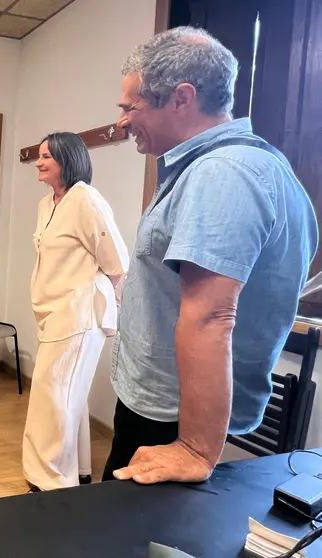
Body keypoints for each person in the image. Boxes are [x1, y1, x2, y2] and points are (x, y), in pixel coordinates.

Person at [105, 27, 318, 485]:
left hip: (172, 422)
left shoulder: (224, 175)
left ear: (181, 98)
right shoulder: (232, 168)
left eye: (130, 107)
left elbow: (211, 316)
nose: (122, 122)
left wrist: (193, 449)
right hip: (163, 409)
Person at [23, 132, 129, 491]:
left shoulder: (86, 199)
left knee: (55, 397)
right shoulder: (46, 203)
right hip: (53, 311)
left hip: (80, 314)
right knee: (68, 396)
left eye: (46, 157)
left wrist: (106, 295)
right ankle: (77, 470)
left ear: (67, 160)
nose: (38, 162)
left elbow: (117, 260)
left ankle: (50, 482)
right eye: (38, 156)